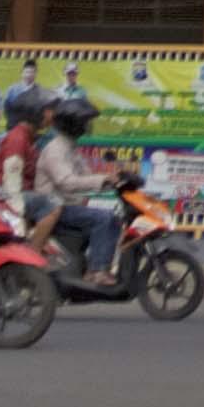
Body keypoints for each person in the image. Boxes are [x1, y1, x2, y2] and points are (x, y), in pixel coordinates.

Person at [39, 99, 129, 288]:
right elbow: (66, 182)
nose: (87, 126)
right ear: (73, 123)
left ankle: (97, 265)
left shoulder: (70, 147)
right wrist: (102, 180)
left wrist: (111, 181)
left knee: (113, 219)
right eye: (83, 121)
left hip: (68, 205)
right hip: (55, 207)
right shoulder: (56, 149)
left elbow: (86, 176)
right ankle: (97, 271)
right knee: (103, 218)